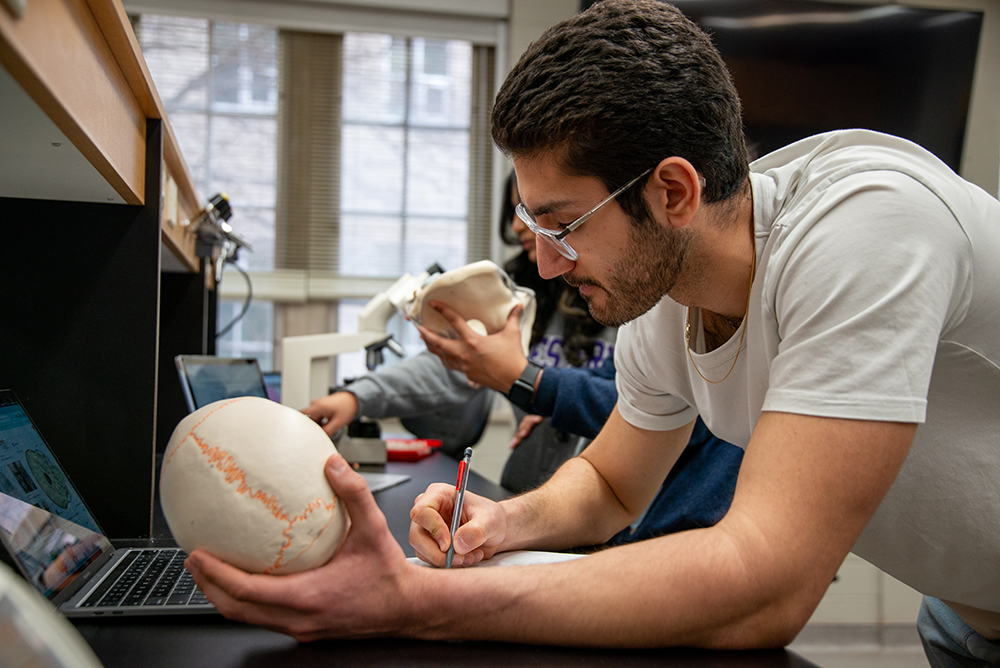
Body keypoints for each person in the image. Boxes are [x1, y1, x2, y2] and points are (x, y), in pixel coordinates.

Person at [185, 2, 1000, 664]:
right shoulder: (666, 297)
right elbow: (612, 487)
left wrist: (420, 602)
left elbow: (766, 585)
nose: (541, 265)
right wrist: (504, 524)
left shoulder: (869, 229)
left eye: (564, 226)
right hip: (964, 612)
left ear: (673, 191)